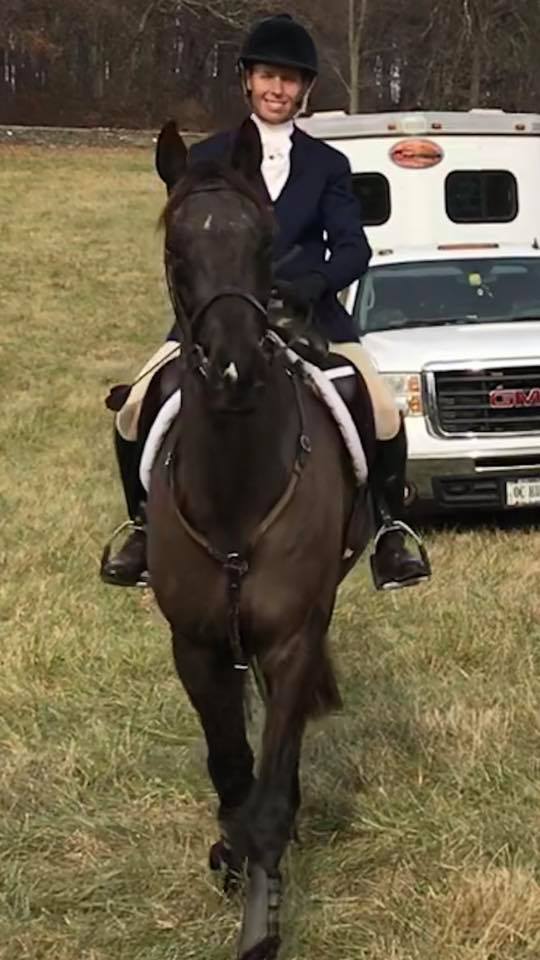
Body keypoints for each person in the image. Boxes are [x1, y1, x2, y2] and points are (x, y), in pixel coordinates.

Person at [101, 13, 431, 592]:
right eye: (267, 77)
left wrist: (311, 285)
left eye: (289, 80)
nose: (277, 90)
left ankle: (390, 532)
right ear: (247, 82)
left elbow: (353, 249)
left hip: (309, 312)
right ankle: (140, 530)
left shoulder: (329, 164)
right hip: (216, 313)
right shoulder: (208, 155)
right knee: (134, 409)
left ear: (305, 91)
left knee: (381, 409)